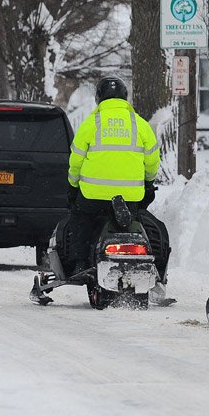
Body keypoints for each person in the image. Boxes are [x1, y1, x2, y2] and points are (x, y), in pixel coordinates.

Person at [64, 76, 162, 275]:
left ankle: (80, 263)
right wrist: (148, 182)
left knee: (81, 219)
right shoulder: (140, 124)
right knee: (136, 219)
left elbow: (76, 161)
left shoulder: (91, 124)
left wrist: (73, 186)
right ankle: (125, 225)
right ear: (125, 98)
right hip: (130, 194)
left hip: (93, 193)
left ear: (98, 99)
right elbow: (152, 160)